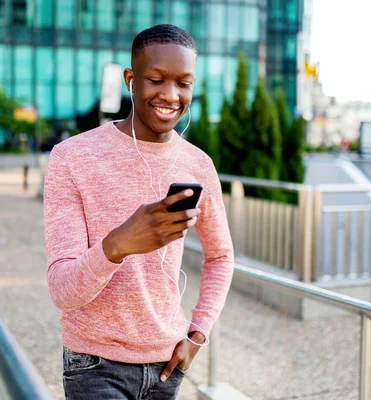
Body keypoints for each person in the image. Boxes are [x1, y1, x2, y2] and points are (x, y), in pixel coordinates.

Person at [44, 24, 234, 400]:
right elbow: (62, 291)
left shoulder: (198, 164)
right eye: (156, 80)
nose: (170, 95)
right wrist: (118, 245)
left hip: (167, 366)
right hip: (95, 366)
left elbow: (221, 256)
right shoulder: (71, 157)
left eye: (184, 83)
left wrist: (198, 331)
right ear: (131, 80)